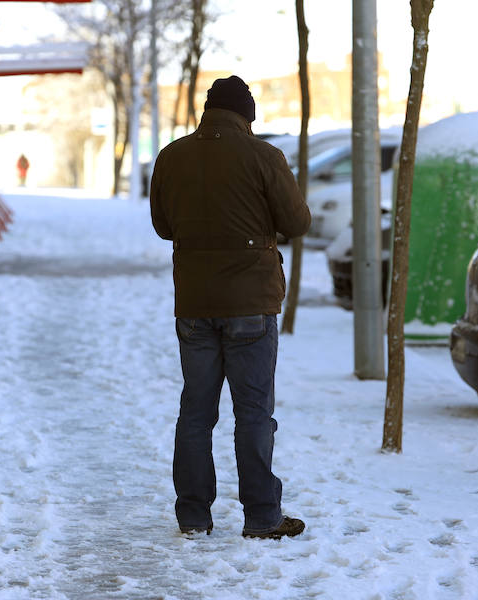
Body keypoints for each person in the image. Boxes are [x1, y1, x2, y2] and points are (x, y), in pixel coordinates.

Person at [150, 75, 311, 539]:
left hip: (195, 304)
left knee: (196, 413)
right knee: (254, 413)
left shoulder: (172, 156)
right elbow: (297, 222)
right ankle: (262, 516)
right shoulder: (264, 157)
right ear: (248, 115)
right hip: (251, 306)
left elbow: (163, 225)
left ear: (207, 111)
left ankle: (193, 515)